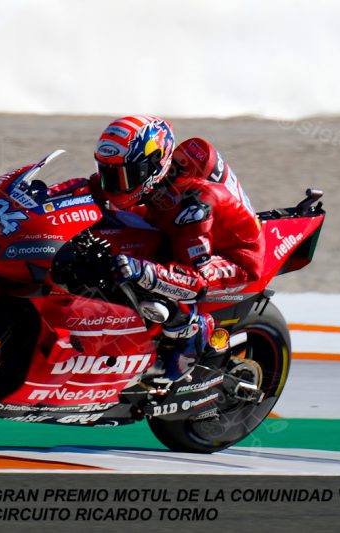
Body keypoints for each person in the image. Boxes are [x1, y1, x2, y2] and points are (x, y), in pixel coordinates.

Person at [50, 115, 265, 382]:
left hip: (230, 258)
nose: (115, 185)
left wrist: (142, 271)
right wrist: (39, 195)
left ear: (153, 167)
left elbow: (194, 280)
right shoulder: (141, 180)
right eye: (109, 172)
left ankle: (191, 329)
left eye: (125, 175)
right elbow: (87, 187)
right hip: (174, 230)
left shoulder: (192, 205)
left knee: (141, 275)